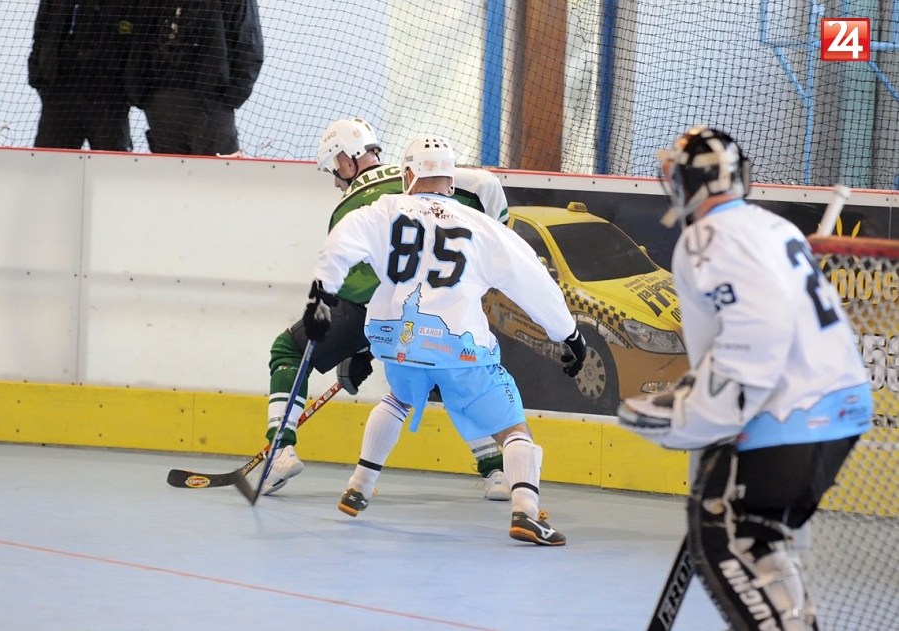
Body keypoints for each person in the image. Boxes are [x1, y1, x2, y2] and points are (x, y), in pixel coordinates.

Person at [617, 126, 872, 629]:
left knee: (728, 538)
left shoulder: (705, 238)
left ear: (688, 183)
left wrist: (697, 414)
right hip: (839, 408)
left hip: (784, 413)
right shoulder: (773, 227)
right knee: (759, 539)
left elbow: (757, 329)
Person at [301, 135, 586, 546]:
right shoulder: (482, 226)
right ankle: (526, 512)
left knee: (398, 400)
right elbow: (532, 280)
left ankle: (358, 487)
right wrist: (568, 334)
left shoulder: (382, 210)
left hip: (397, 342)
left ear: (408, 175)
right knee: (513, 429)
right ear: (451, 182)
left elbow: (339, 245)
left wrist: (320, 298)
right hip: (459, 345)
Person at [262, 118, 514, 501]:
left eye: (335, 170)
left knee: (288, 350)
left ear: (347, 160)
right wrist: (500, 239)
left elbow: (356, 290)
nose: (336, 182)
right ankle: (497, 471)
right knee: (447, 374)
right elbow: (487, 185)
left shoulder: (347, 209)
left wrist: (362, 345)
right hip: (433, 307)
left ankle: (280, 451)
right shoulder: (424, 178)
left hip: (374, 311)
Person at [123, 0, 263, 156]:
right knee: (170, 169)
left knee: (217, 169)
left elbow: (248, 44)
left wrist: (228, 98)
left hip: (210, 99)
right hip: (161, 98)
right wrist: (140, 91)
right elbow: (139, 35)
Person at [28, 0, 135, 151]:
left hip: (108, 92)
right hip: (60, 88)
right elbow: (41, 32)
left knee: (112, 160)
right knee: (50, 160)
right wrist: (38, 76)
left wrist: (130, 90)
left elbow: (139, 37)